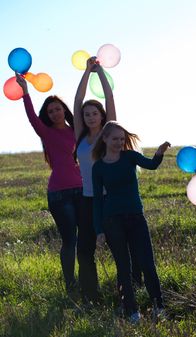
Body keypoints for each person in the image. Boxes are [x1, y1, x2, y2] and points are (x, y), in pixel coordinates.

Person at [73, 57, 142, 302]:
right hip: (88, 200)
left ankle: (130, 291)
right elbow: (77, 101)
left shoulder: (108, 133)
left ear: (102, 116)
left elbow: (109, 99)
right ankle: (92, 296)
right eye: (86, 114)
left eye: (94, 113)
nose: (90, 117)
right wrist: (86, 72)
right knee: (84, 250)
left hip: (111, 199)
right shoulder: (80, 135)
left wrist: (99, 71)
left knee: (121, 249)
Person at [92, 121, 171, 323]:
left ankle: (158, 307)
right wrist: (99, 230)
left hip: (136, 218)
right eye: (115, 139)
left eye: (121, 139)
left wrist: (159, 153)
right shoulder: (98, 167)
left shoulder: (130, 157)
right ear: (105, 139)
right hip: (112, 221)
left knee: (147, 263)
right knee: (123, 267)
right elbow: (98, 201)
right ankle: (132, 312)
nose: (119, 142)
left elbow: (151, 165)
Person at [15, 72, 83, 296]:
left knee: (85, 238)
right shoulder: (46, 132)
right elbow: (32, 117)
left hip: (82, 191)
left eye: (57, 108)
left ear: (64, 110)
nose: (54, 113)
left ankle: (86, 283)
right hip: (59, 194)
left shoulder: (76, 131)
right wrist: (25, 91)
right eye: (50, 110)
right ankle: (70, 285)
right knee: (69, 240)